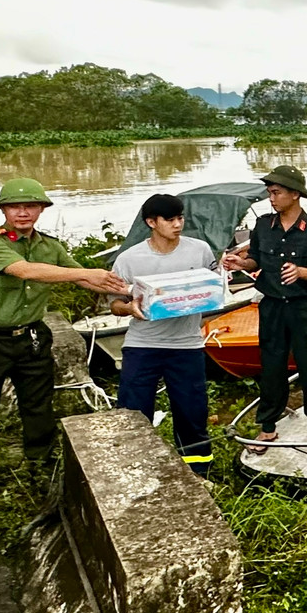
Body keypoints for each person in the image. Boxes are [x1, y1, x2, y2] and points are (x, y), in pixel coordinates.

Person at [0, 178, 128, 516]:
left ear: (41, 210)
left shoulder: (50, 246)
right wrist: (84, 273)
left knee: (39, 407)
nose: (23, 212)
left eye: (31, 205)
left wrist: (127, 294)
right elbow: (25, 271)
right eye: (15, 206)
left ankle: (40, 467)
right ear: (4, 210)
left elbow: (82, 277)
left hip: (32, 337)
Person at [221, 166, 307, 452]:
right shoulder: (263, 227)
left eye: (277, 192)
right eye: (270, 193)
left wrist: (301, 272)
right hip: (272, 307)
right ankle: (268, 427)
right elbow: (256, 260)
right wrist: (240, 264)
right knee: (271, 367)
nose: (271, 198)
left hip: (305, 307)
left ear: (295, 195)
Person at [109, 194, 218, 477]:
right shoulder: (129, 259)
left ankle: (197, 473)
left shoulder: (200, 251)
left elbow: (215, 285)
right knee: (133, 411)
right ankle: (135, 470)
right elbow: (114, 305)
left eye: (180, 218)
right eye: (170, 219)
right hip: (142, 344)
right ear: (151, 222)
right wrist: (130, 309)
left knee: (192, 413)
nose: (178, 224)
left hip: (187, 345)